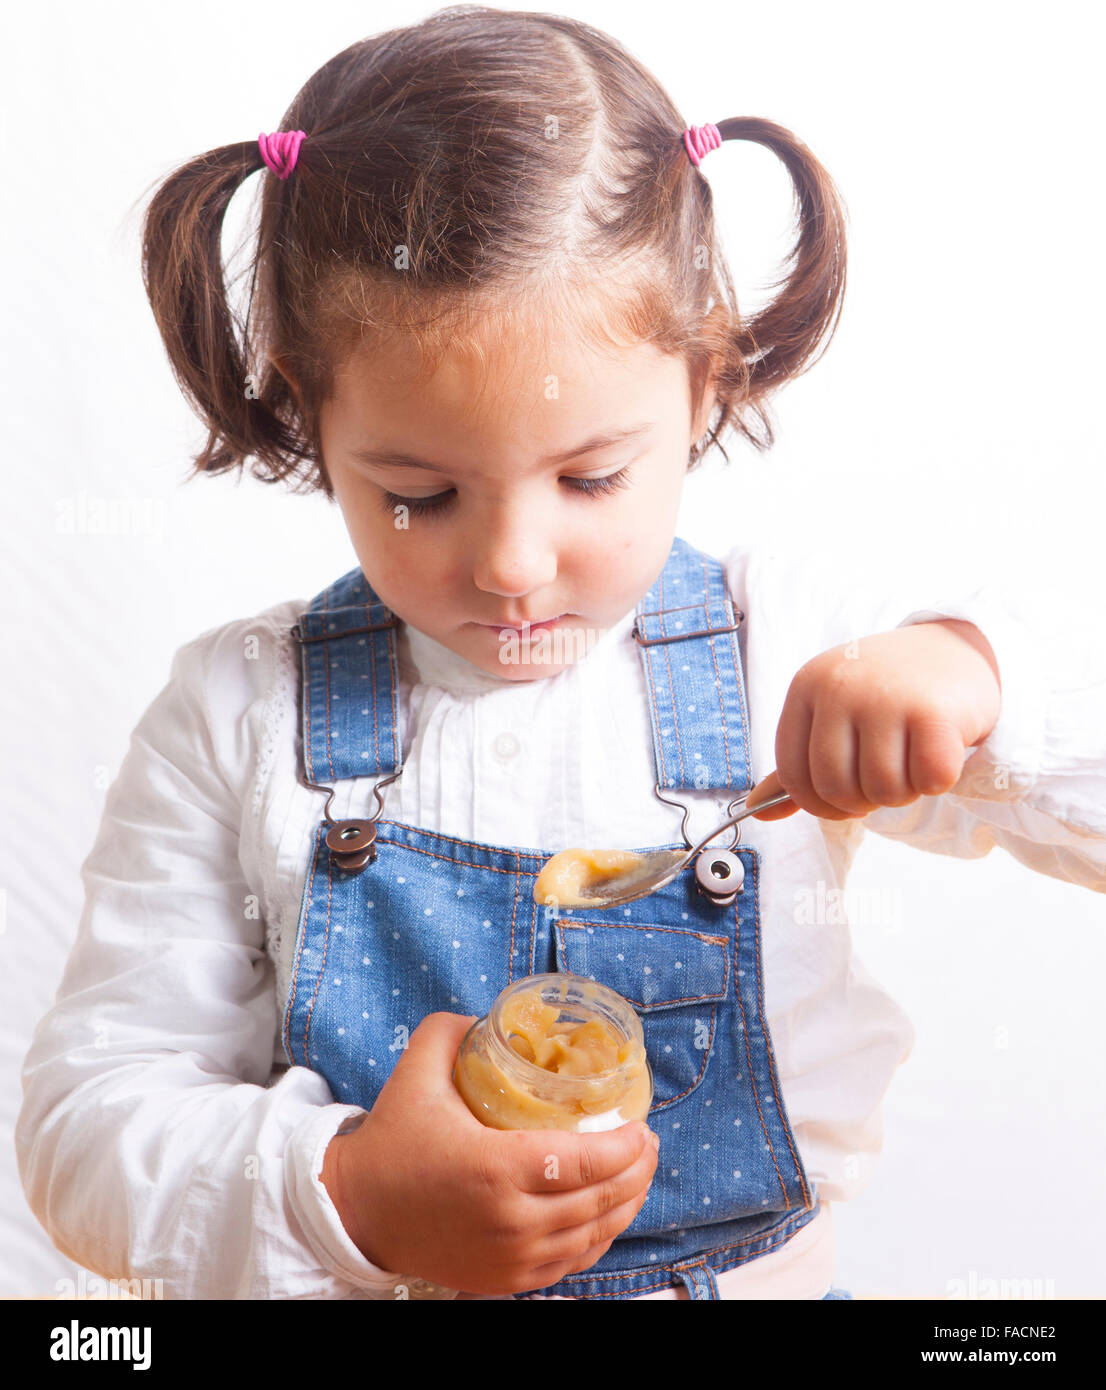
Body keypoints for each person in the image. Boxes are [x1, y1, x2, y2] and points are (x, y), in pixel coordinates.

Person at [16, 6, 1106, 1301]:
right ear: (313, 422)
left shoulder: (787, 656)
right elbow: (85, 1118)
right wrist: (351, 1191)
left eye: (589, 477)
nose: (512, 565)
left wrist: (983, 680)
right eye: (421, 492)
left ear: (704, 388)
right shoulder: (238, 713)